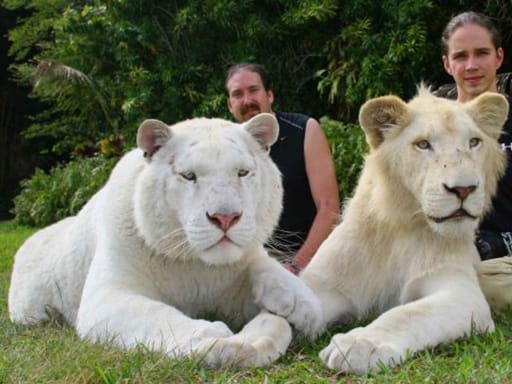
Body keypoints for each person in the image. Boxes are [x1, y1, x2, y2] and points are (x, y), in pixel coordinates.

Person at [225, 62, 340, 274]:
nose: (247, 100)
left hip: (305, 257)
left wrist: (296, 266)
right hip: (249, 263)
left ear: (269, 95)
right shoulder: (222, 146)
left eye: (253, 90)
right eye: (238, 94)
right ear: (230, 105)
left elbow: (329, 207)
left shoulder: (304, 130)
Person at [441, 11, 512, 311]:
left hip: (504, 262)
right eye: (460, 56)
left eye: (481, 53)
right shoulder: (431, 128)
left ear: (498, 57)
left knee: (486, 287)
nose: (471, 66)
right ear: (447, 64)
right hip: (451, 255)